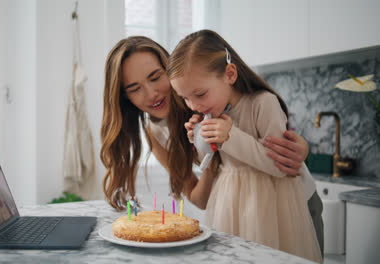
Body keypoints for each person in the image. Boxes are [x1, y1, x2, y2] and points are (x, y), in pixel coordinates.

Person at [100, 35, 318, 224]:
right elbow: (200, 200)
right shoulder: (156, 133)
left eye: (156, 77)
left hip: (293, 204)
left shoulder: (212, 97)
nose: (151, 94)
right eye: (134, 89)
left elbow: (262, 133)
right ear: (124, 97)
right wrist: (213, 157)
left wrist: (302, 147)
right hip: (245, 211)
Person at [166, 29, 322, 262]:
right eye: (185, 98)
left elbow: (280, 167)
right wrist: (199, 141)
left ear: (229, 74)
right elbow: (212, 162)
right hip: (233, 204)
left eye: (200, 94)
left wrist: (230, 137)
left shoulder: (263, 103)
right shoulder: (213, 111)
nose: (194, 105)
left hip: (270, 206)